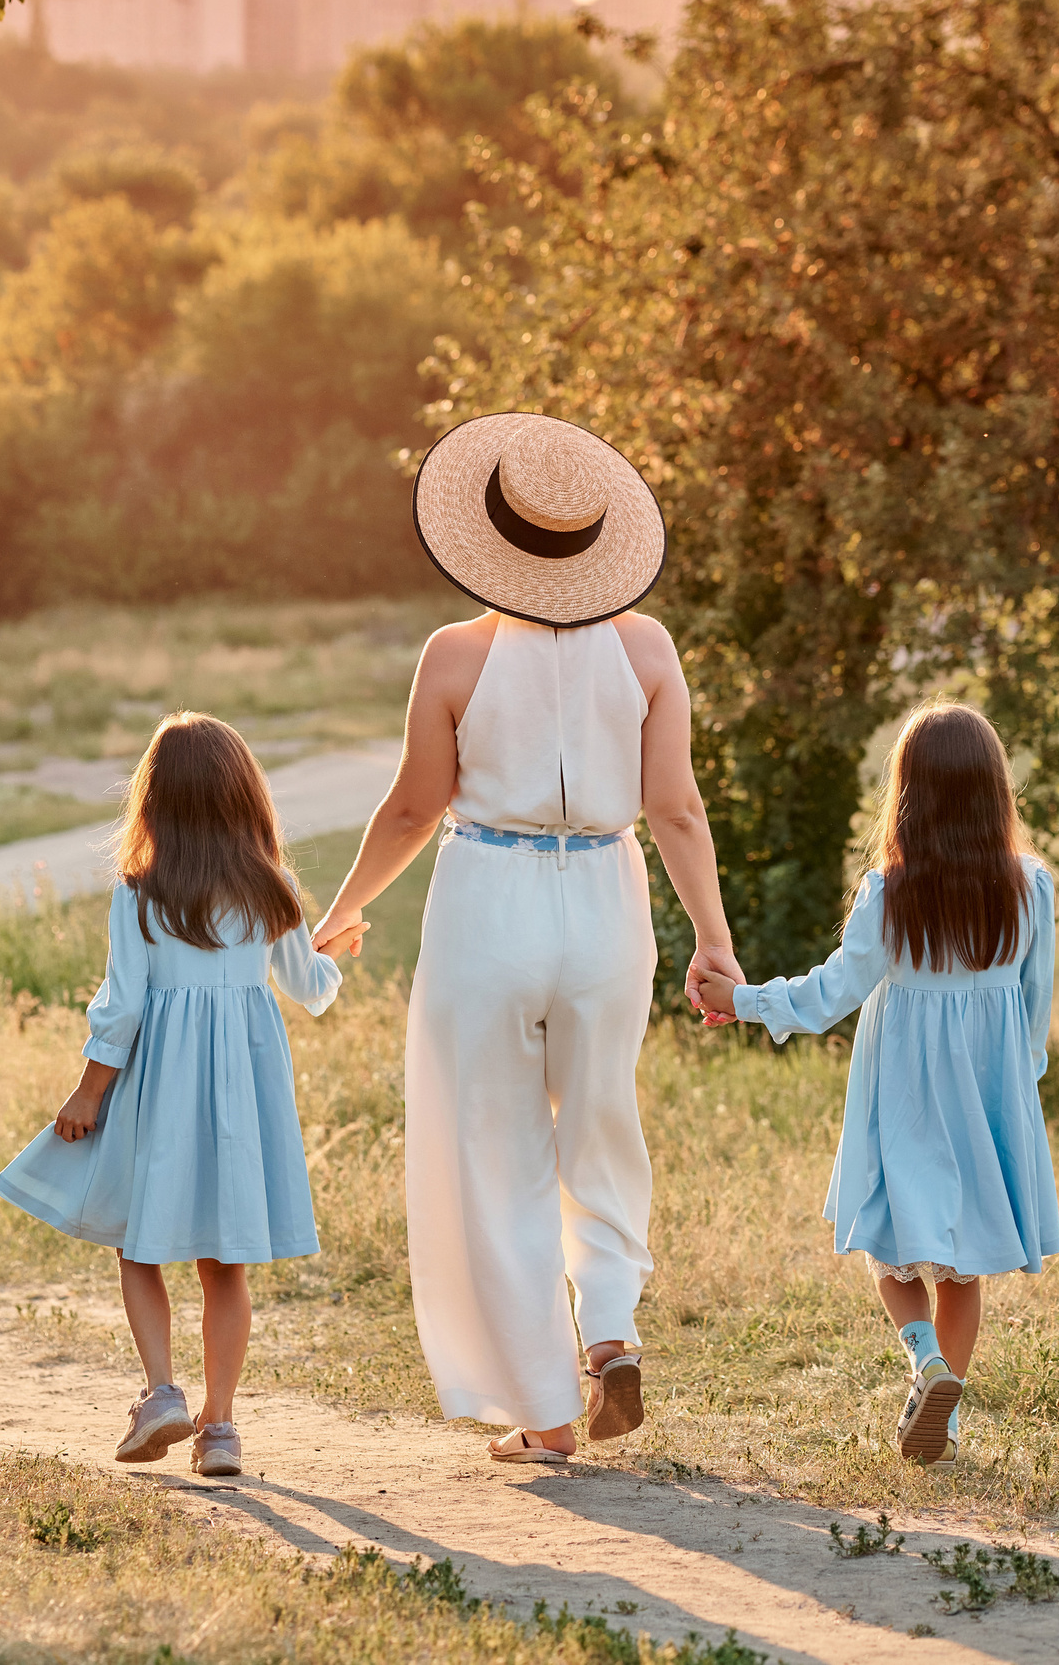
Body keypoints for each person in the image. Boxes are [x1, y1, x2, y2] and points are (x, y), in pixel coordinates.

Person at [309, 412, 743, 1463]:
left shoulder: (455, 654)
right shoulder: (645, 647)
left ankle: (546, 1413)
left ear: (487, 542)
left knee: (493, 1152)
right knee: (599, 1127)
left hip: (487, 903)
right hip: (605, 898)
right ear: (596, 545)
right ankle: (609, 1327)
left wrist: (340, 909)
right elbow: (677, 809)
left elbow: (413, 809)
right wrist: (714, 944)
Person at [694, 701, 1059, 1467]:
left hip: (903, 1099)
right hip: (988, 1102)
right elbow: (1034, 1012)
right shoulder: (1031, 886)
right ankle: (946, 1415)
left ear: (907, 794)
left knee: (886, 1247)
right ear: (996, 790)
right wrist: (1017, 1098)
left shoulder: (890, 889)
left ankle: (924, 1363)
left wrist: (745, 1001)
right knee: (963, 1267)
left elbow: (831, 993)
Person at [0, 712, 351, 1478]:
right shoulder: (273, 887)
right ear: (242, 794)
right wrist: (333, 948)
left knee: (139, 1238)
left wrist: (88, 1093)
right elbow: (310, 989)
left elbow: (121, 1006)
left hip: (161, 1085)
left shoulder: (140, 893)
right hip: (240, 1096)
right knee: (225, 1262)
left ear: (155, 802)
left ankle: (160, 1390)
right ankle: (219, 1427)